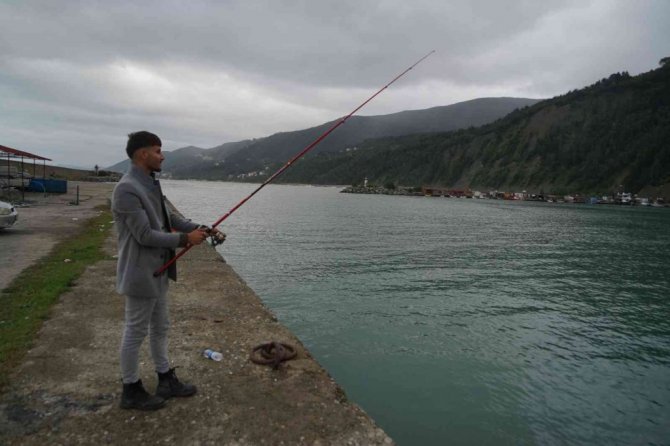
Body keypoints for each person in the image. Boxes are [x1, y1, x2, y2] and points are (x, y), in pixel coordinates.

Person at [112, 131, 221, 411]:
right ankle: (130, 389)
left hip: (160, 271)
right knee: (135, 331)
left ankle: (165, 379)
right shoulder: (126, 189)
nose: (162, 156)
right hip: (140, 274)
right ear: (143, 154)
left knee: (160, 327)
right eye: (158, 151)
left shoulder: (150, 183)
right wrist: (185, 239)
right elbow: (145, 235)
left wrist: (200, 228)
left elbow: (168, 217)